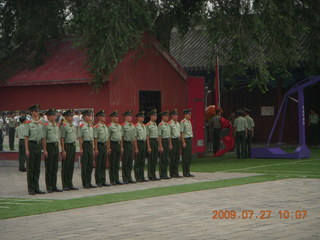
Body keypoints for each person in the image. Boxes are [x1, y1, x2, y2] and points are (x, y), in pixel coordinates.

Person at [24, 104, 45, 195]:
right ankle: (31, 188)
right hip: (31, 145)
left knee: (37, 168)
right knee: (31, 168)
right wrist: (27, 149)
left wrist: (44, 148)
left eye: (38, 111)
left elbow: (43, 137)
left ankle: (36, 187)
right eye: (35, 111)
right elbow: (26, 137)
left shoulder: (40, 123)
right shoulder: (28, 123)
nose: (37, 113)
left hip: (38, 145)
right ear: (32, 112)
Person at [42, 108, 63, 193]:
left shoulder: (56, 125)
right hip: (49, 146)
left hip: (55, 146)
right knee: (49, 167)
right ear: (48, 116)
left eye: (55, 115)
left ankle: (54, 185)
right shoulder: (46, 126)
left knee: (55, 167)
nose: (55, 117)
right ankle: (49, 186)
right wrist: (45, 150)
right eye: (53, 115)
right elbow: (43, 138)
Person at [60, 109, 79, 191]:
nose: (72, 117)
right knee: (66, 166)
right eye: (70, 116)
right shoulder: (64, 126)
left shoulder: (72, 126)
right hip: (67, 146)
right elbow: (62, 138)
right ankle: (65, 184)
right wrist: (63, 150)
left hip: (73, 146)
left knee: (71, 166)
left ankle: (70, 183)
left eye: (72, 116)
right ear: (66, 117)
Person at [79, 110, 97, 189]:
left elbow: (92, 138)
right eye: (88, 116)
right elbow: (80, 138)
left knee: (90, 165)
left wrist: (93, 147)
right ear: (84, 117)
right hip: (85, 145)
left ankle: (89, 182)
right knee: (85, 165)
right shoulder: (82, 126)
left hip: (90, 145)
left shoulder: (91, 126)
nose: (90, 117)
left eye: (90, 116)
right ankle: (85, 183)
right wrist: (81, 148)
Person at [94, 110, 111, 187]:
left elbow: (107, 138)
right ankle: (98, 181)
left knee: (104, 164)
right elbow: (95, 138)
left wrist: (108, 147)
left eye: (105, 116)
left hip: (104, 145)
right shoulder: (97, 127)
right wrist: (96, 149)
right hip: (99, 145)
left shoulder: (105, 126)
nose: (104, 117)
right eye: (103, 116)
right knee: (99, 164)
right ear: (99, 117)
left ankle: (103, 180)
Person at [108, 110, 124, 185]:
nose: (117, 118)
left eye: (118, 116)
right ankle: (112, 179)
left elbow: (121, 137)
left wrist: (121, 147)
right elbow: (108, 137)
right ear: (112, 118)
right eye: (116, 117)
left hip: (118, 144)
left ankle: (117, 178)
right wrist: (109, 147)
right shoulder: (110, 126)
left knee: (117, 163)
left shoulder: (120, 126)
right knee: (113, 163)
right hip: (112, 144)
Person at [121, 110, 138, 184]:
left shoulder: (133, 126)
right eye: (129, 116)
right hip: (126, 143)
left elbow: (134, 137)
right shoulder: (123, 125)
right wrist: (122, 147)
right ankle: (125, 178)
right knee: (125, 161)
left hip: (131, 144)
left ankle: (129, 177)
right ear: (126, 117)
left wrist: (136, 147)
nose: (130, 117)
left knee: (130, 161)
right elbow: (122, 137)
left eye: (131, 116)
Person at [146, 109, 160, 181]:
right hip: (151, 141)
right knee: (151, 159)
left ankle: (154, 174)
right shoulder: (148, 125)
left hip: (155, 142)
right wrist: (148, 147)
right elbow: (147, 137)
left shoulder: (155, 125)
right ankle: (150, 175)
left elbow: (157, 136)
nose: (156, 117)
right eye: (155, 116)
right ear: (151, 116)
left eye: (156, 116)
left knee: (155, 159)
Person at [134, 111, 148, 182]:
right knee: (138, 161)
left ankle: (142, 176)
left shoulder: (144, 126)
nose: (143, 118)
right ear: (138, 118)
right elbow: (135, 138)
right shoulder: (136, 126)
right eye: (142, 117)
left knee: (142, 161)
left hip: (143, 143)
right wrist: (136, 147)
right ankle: (137, 176)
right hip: (139, 143)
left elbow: (146, 136)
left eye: (143, 117)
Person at [180, 108, 194, 177]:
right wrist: (183, 142)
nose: (190, 115)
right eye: (189, 114)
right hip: (185, 139)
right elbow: (181, 133)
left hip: (189, 139)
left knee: (189, 156)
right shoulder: (183, 122)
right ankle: (185, 172)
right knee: (185, 156)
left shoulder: (189, 121)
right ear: (185, 114)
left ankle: (188, 171)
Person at [168, 109, 182, 178]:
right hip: (173, 140)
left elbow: (179, 133)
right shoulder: (170, 123)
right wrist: (170, 144)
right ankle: (172, 173)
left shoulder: (178, 123)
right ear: (172, 116)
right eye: (175, 115)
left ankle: (176, 172)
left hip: (177, 140)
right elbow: (169, 135)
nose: (176, 116)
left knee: (177, 157)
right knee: (172, 157)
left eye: (177, 115)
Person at [158, 110, 171, 179]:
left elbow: (169, 136)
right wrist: (160, 146)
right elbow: (159, 136)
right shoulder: (160, 125)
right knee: (162, 158)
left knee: (166, 158)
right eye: (166, 116)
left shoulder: (168, 124)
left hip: (167, 141)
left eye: (167, 116)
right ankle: (162, 174)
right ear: (163, 117)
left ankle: (165, 173)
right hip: (162, 141)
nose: (167, 117)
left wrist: (170, 144)